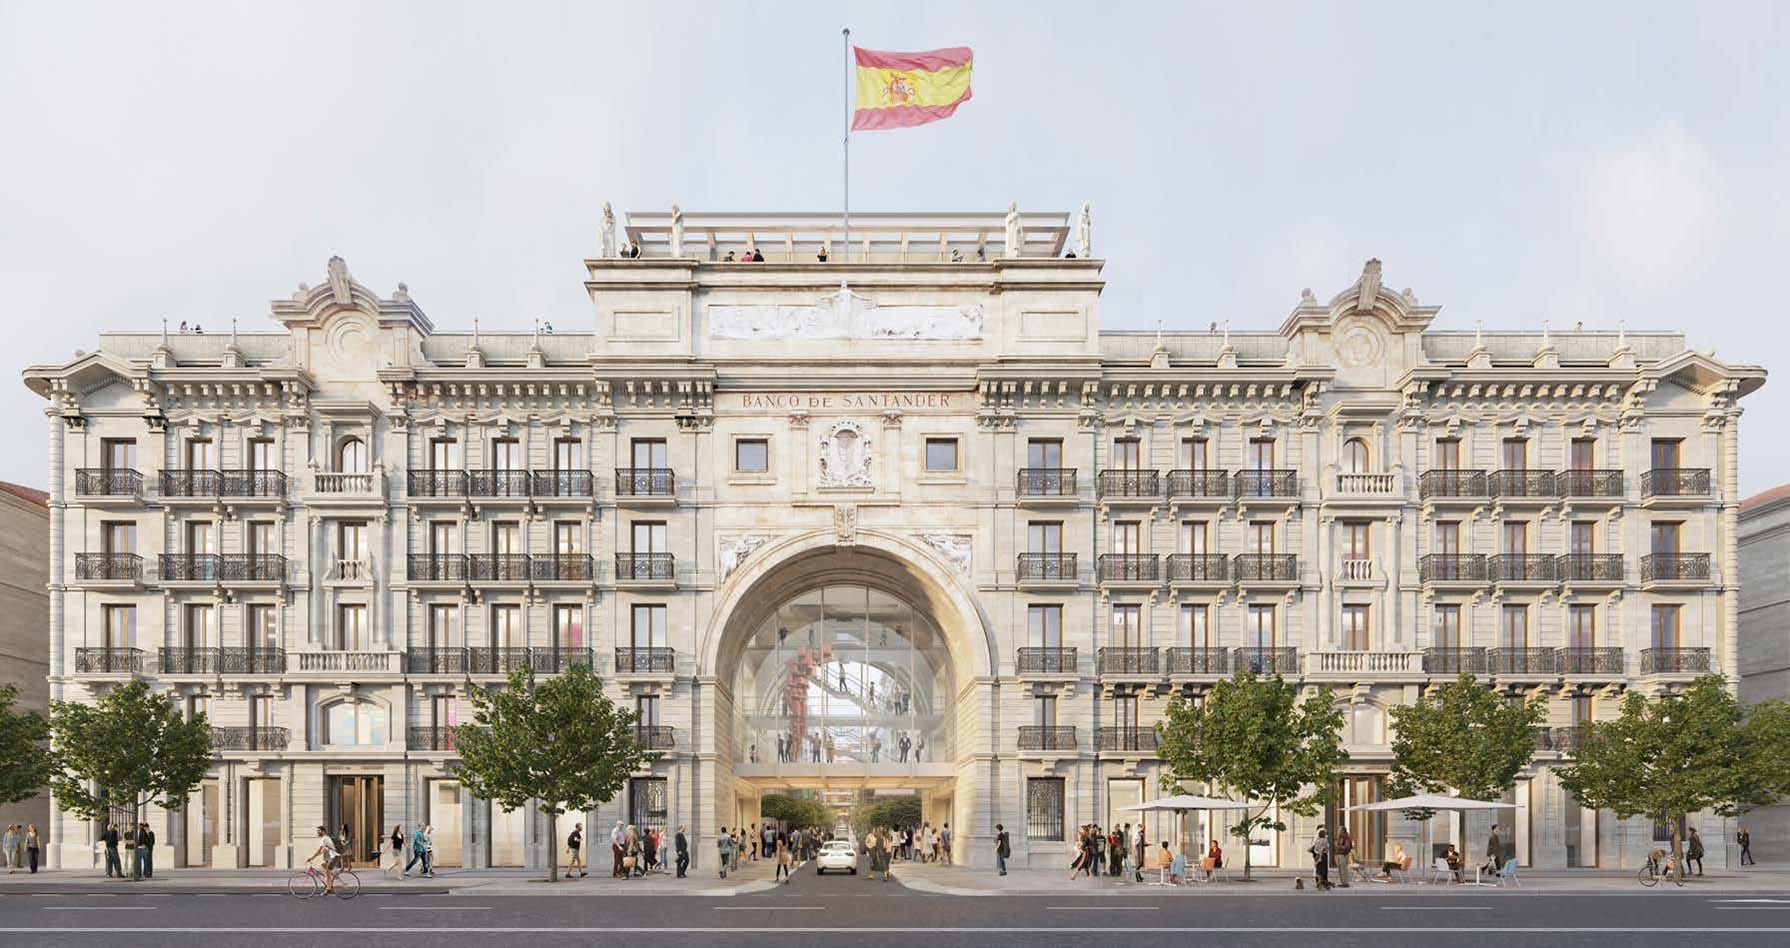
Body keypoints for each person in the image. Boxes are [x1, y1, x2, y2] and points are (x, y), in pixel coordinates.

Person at [307, 826, 341, 894]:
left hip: (335, 856)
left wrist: (312, 858)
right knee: (323, 865)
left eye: (319, 831)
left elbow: (319, 850)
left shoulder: (324, 839)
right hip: (333, 856)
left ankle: (329, 889)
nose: (318, 833)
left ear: (323, 831)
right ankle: (332, 875)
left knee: (327, 872)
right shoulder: (326, 838)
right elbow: (322, 851)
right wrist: (314, 857)